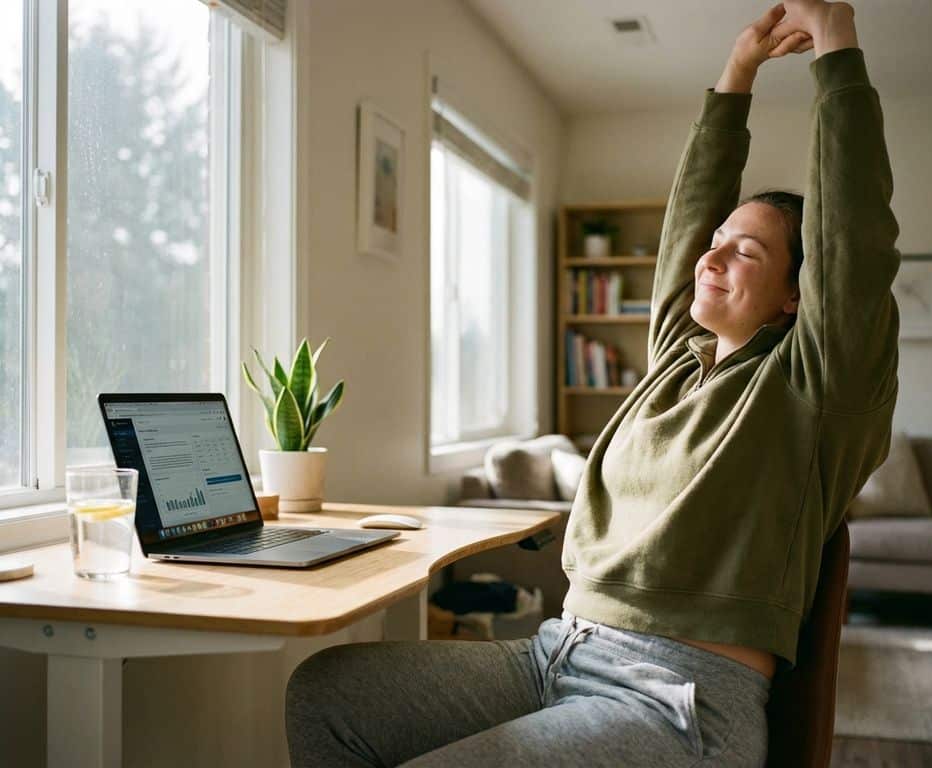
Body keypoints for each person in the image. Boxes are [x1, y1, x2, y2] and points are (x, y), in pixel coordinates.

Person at [286, 1, 899, 765]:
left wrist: (835, 44)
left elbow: (855, 242)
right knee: (327, 693)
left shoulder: (814, 387)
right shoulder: (680, 358)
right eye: (716, 244)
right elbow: (685, 229)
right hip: (555, 652)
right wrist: (735, 73)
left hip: (676, 697)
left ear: (797, 295)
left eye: (743, 253)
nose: (710, 259)